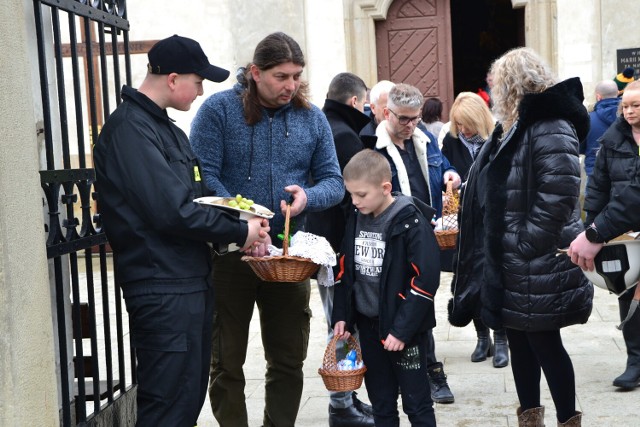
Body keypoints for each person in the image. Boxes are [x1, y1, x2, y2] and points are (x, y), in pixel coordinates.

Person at [93, 35, 269, 426]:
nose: (202, 90)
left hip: (188, 282)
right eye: (198, 80)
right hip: (162, 288)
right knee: (168, 405)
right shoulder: (130, 131)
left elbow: (201, 197)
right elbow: (172, 212)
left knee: (186, 399)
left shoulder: (166, 129)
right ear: (172, 79)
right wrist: (239, 233)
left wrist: (247, 223)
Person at [189, 32, 344, 427]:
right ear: (255, 72)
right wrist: (244, 221)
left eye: (296, 76)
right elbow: (202, 177)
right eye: (281, 76)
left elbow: (334, 181)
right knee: (226, 362)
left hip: (287, 259)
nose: (290, 86)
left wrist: (307, 198)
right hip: (230, 256)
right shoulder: (217, 111)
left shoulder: (312, 118)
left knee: (289, 360)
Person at [449, 47, 593, 427]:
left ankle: (567, 420)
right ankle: (530, 420)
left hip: (537, 261)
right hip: (511, 263)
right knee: (519, 343)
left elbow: (560, 195)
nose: (491, 89)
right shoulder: (510, 125)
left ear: (511, 84)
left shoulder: (550, 124)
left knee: (546, 345)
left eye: (496, 82)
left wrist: (522, 243)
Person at [332, 149, 440, 427]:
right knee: (381, 404)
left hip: (405, 333)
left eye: (361, 195)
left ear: (385, 188)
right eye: (351, 195)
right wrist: (341, 315)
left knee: (417, 405)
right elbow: (346, 270)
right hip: (368, 329)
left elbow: (425, 280)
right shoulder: (356, 216)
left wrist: (402, 330)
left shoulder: (410, 221)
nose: (355, 202)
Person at [374, 82, 458, 404]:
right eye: (403, 119)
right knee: (406, 302)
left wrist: (450, 174)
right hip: (394, 237)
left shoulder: (425, 139)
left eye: (416, 119)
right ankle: (424, 372)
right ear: (387, 113)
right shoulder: (373, 147)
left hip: (428, 233)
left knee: (423, 299)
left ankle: (429, 371)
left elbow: (441, 169)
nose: (410, 126)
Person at [306, 72, 375, 427]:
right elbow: (357, 198)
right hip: (337, 248)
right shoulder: (344, 135)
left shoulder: (325, 126)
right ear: (353, 101)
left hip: (327, 245)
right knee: (342, 324)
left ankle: (348, 397)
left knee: (341, 321)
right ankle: (341, 404)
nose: (365, 108)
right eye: (364, 103)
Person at [569, 79, 640, 391]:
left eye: (636, 105)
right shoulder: (613, 138)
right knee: (628, 292)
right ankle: (635, 361)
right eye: (625, 106)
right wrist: (592, 226)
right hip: (623, 230)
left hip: (620, 222)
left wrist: (598, 231)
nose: (629, 111)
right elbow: (598, 186)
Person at [442, 91, 509, 369]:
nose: (462, 129)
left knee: (497, 277)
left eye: (466, 123)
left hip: (494, 220)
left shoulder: (499, 139)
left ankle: (502, 337)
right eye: (458, 124)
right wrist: (450, 183)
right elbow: (445, 172)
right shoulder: (451, 140)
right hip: (466, 220)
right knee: (471, 278)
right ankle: (482, 337)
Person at [580, 80, 620, 187]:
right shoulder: (630, 117)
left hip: (596, 173)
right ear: (618, 93)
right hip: (625, 174)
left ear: (598, 97)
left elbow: (581, 148)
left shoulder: (588, 119)